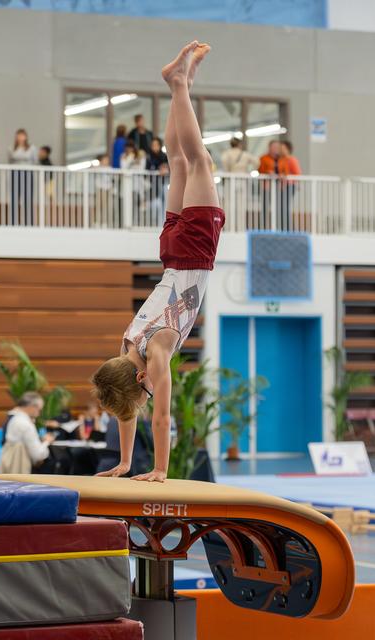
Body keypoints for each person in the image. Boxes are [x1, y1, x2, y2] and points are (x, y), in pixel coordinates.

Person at [92, 41, 225, 483]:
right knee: (178, 163)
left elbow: (160, 417)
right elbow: (126, 406)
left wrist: (160, 469)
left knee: (199, 161)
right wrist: (127, 464)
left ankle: (179, 83)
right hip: (169, 252)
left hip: (193, 253)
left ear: (141, 377)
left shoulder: (158, 353)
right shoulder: (127, 344)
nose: (146, 397)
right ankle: (180, 84)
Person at [0, 392, 55, 473]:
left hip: (9, 466)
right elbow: (38, 455)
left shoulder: (14, 419)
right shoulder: (26, 424)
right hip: (21, 469)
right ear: (33, 407)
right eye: (39, 410)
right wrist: (47, 441)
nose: (39, 414)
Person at [8, 129, 38, 226]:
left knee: (28, 198)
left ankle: (29, 223)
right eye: (19, 135)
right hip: (15, 174)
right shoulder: (11, 148)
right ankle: (13, 223)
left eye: (22, 135)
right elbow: (10, 161)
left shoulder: (32, 148)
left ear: (26, 137)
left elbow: (35, 161)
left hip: (27, 174)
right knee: (14, 198)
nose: (21, 137)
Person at [278, 140, 302, 231]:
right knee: (282, 207)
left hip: (290, 185)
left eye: (283, 148)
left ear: (288, 149)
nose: (281, 150)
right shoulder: (281, 160)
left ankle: (288, 228)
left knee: (285, 206)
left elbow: (297, 173)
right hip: (283, 186)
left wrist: (287, 177)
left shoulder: (292, 159)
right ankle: (284, 227)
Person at [258, 140, 281, 228]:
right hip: (266, 187)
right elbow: (260, 170)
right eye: (274, 147)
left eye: (277, 147)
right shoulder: (263, 158)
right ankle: (263, 227)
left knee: (278, 207)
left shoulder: (282, 159)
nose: (275, 149)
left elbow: (285, 171)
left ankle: (278, 226)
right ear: (269, 147)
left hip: (279, 188)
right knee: (265, 207)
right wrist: (268, 172)